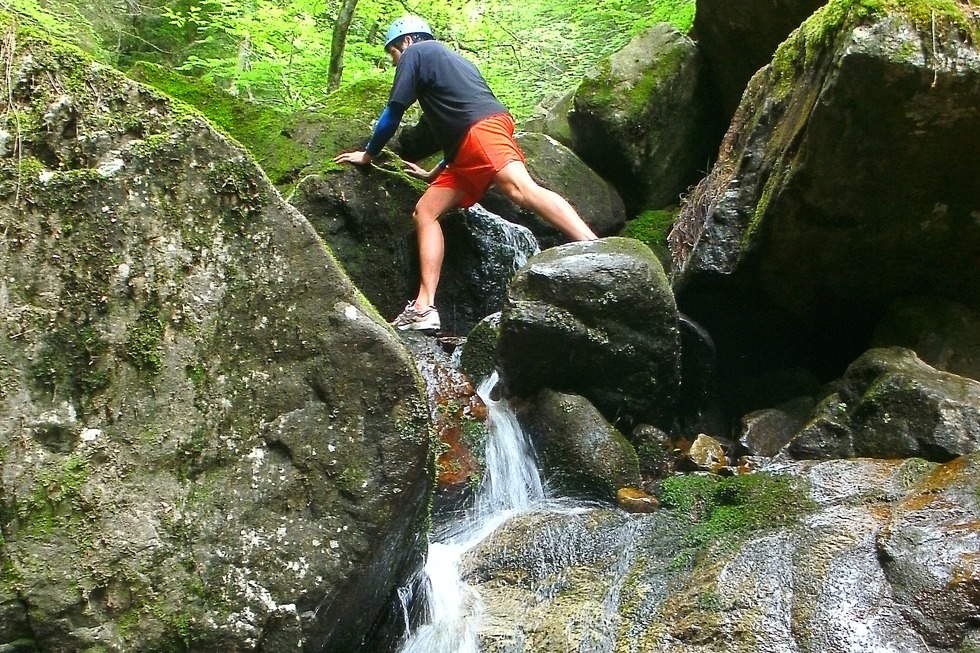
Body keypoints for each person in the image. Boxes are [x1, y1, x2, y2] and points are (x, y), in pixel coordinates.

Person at [335, 15, 598, 332]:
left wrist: (368, 154)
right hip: (467, 146)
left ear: (406, 41)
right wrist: (434, 173)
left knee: (519, 190)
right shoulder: (454, 64)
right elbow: (456, 120)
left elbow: (393, 112)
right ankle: (424, 308)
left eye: (393, 55)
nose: (395, 63)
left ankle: (593, 245)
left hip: (480, 131)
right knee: (426, 212)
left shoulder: (417, 53)